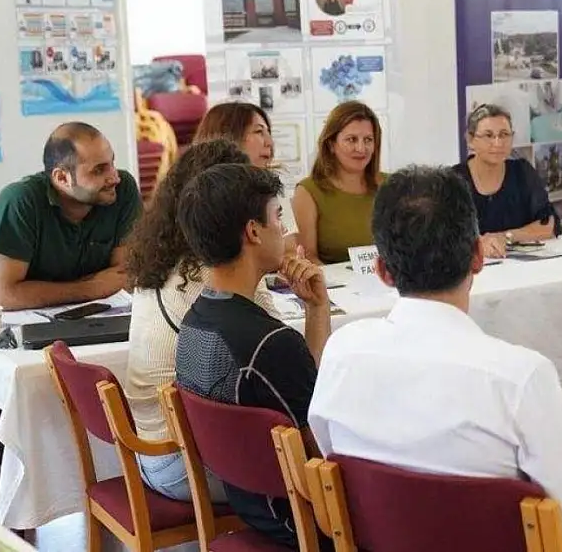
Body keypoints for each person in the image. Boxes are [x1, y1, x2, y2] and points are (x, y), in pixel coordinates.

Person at [308, 165, 562, 552]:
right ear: (478, 256)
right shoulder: (519, 377)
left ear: (382, 270)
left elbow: (334, 471)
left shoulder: (341, 352)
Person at [174, 163, 332, 549]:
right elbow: (319, 444)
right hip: (306, 523)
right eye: (278, 216)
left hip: (254, 507)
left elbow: (299, 393)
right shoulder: (270, 343)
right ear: (253, 232)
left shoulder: (195, 321)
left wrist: (316, 309)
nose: (284, 229)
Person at [124, 140, 284, 502]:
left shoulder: (163, 263)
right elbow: (293, 376)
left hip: (150, 451)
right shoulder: (213, 279)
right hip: (186, 464)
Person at [0, 122, 141, 310]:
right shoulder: (20, 201)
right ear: (61, 178)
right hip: (29, 327)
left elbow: (129, 275)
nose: (114, 177)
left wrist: (40, 291)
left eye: (112, 163)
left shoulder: (123, 190)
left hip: (99, 319)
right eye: (99, 170)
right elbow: (2, 297)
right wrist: (90, 287)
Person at [453, 104, 559, 258]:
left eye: (504, 135)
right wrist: (478, 244)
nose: (497, 143)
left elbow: (547, 226)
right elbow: (442, 238)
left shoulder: (522, 172)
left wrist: (505, 237)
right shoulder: (454, 181)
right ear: (470, 140)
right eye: (488, 135)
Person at [192, 101, 299, 250]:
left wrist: (296, 267)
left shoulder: (272, 187)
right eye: (259, 132)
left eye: (269, 133)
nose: (270, 142)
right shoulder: (198, 198)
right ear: (228, 136)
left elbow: (290, 249)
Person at [294, 100, 386, 264]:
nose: (361, 148)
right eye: (351, 139)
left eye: (368, 140)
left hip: (392, 286)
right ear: (331, 145)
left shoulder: (391, 185)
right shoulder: (308, 191)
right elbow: (308, 257)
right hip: (337, 288)